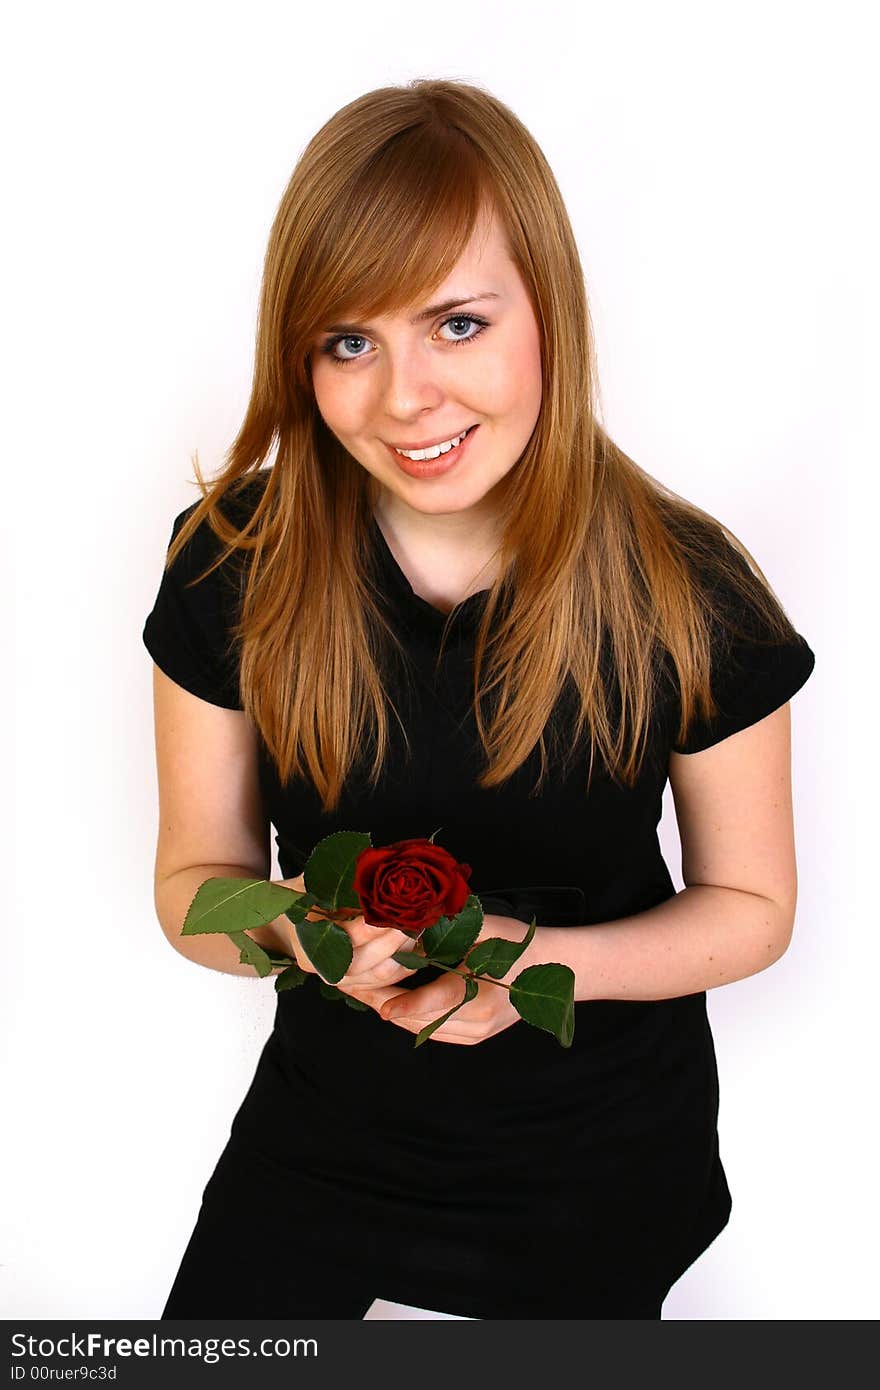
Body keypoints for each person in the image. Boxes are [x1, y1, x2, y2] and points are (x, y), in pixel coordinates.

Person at [143, 78, 816, 1321]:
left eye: (455, 323)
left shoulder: (689, 591)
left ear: (547, 312)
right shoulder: (230, 563)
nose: (406, 398)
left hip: (594, 1156)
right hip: (323, 1141)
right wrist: (300, 934)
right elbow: (191, 883)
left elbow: (753, 906)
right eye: (350, 341)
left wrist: (535, 962)